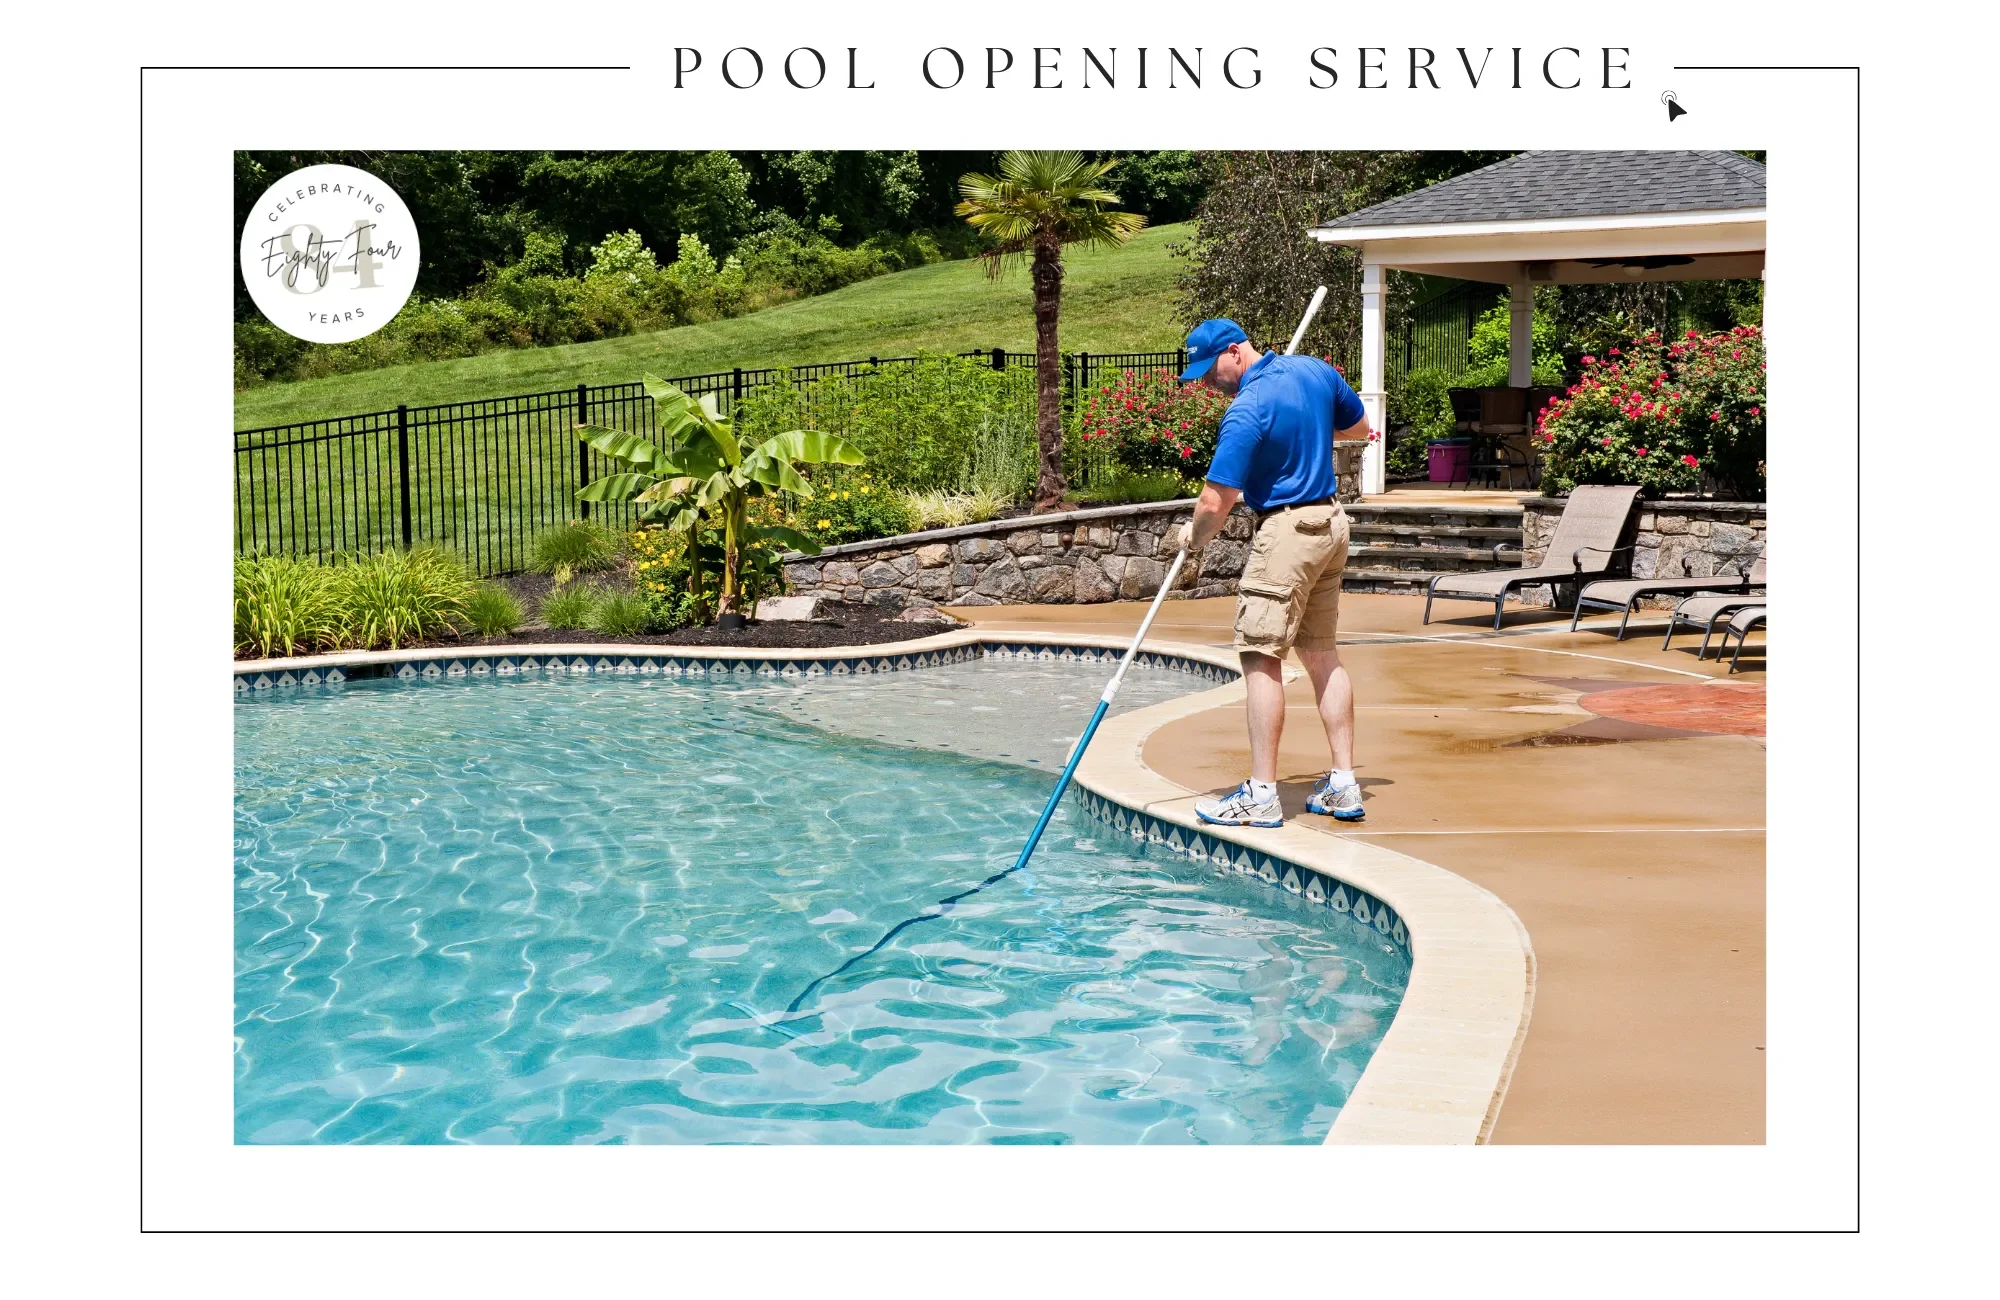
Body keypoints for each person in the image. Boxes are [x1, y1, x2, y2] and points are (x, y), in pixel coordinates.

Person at [1173, 318, 1370, 826]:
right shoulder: (1314, 372)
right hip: (1330, 523)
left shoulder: (1246, 410)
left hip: (1285, 533)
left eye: (1209, 369)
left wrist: (1191, 539)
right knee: (1321, 653)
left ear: (1236, 351)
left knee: (1261, 657)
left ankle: (1261, 793)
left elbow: (1216, 501)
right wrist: (1302, 426)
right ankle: (1344, 785)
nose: (1206, 383)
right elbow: (1358, 428)